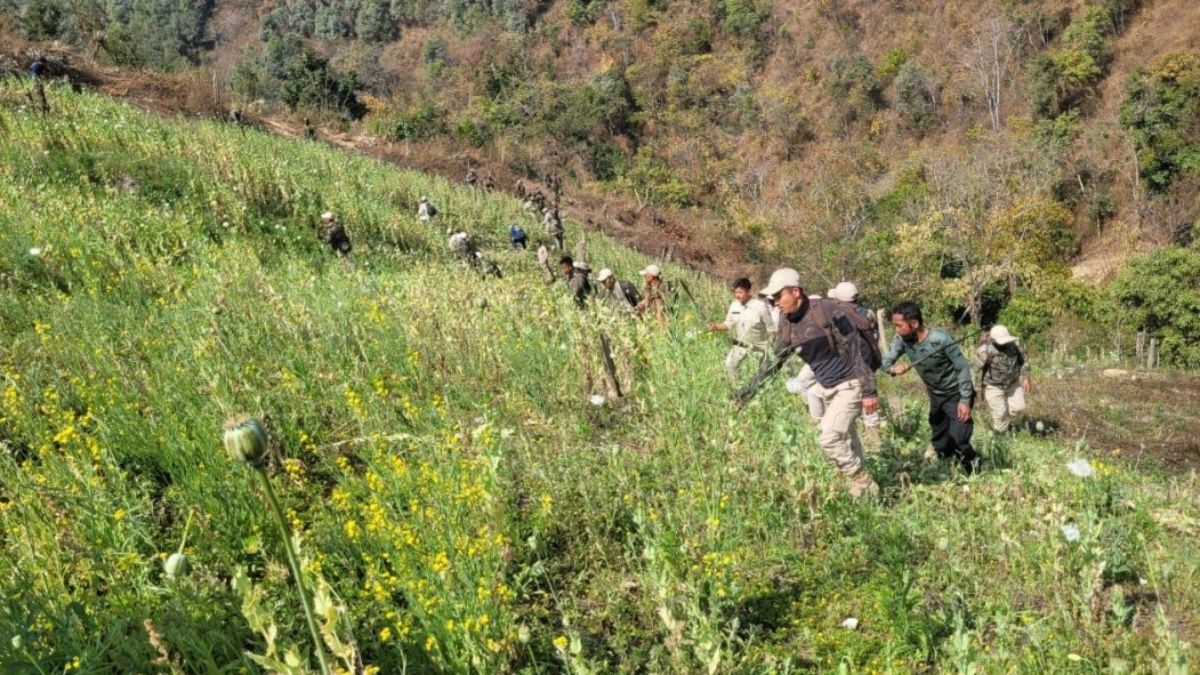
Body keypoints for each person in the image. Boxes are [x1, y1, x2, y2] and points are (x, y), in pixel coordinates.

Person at [738, 268, 880, 498]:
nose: (774, 302)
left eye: (778, 296)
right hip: (829, 388)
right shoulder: (787, 324)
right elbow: (774, 363)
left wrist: (869, 390)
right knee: (848, 439)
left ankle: (864, 481)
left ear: (796, 291)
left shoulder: (826, 310)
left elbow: (857, 348)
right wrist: (746, 393)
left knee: (829, 437)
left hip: (851, 385)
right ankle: (867, 497)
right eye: (771, 298)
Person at [882, 301, 978, 472]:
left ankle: (975, 471)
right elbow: (885, 362)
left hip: (956, 394)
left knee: (959, 440)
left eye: (899, 325)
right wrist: (893, 369)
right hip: (936, 395)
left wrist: (965, 400)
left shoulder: (940, 339)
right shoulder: (901, 340)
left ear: (914, 323)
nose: (896, 330)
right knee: (940, 442)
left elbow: (962, 367)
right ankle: (947, 472)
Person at [828, 282, 883, 445]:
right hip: (868, 359)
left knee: (858, 395)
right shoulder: (867, 313)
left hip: (854, 363)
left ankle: (869, 438)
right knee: (867, 395)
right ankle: (873, 435)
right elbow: (875, 336)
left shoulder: (841, 316)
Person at [710, 278, 776, 385]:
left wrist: (770, 346)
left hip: (758, 347)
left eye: (740, 292)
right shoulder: (734, 306)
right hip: (740, 345)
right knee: (730, 364)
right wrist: (716, 326)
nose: (737, 295)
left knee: (759, 376)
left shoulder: (760, 307)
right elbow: (727, 324)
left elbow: (771, 329)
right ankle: (736, 388)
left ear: (749, 291)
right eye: (735, 292)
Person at [973, 325, 1031, 432]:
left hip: (1013, 383)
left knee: (1019, 408)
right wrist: (978, 391)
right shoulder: (984, 351)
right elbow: (977, 371)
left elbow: (1025, 361)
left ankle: (1010, 424)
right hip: (993, 386)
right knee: (1000, 413)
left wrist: (1026, 378)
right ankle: (1001, 435)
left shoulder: (1016, 345)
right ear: (993, 340)